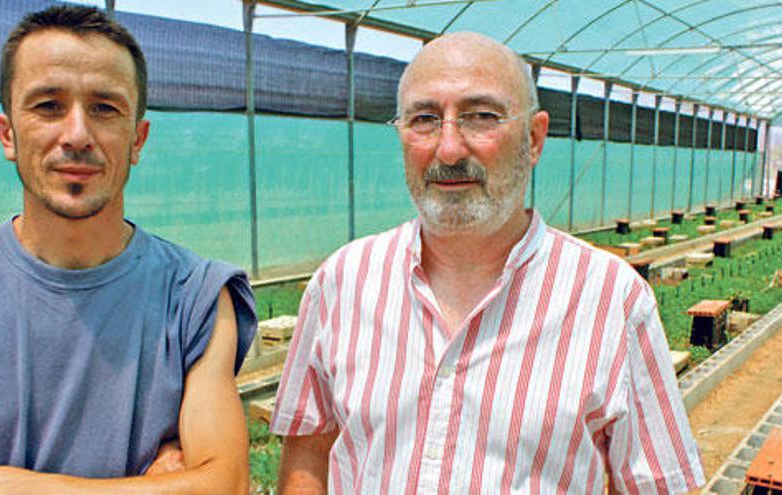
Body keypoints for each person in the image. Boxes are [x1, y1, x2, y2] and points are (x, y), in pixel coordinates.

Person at [271, 32, 705, 493]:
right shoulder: (342, 282)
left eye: (481, 117)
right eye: (424, 119)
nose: (450, 149)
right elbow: (308, 450)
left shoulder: (610, 299)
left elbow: (655, 486)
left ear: (535, 138)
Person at [0, 5, 257, 494]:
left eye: (104, 108)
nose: (78, 135)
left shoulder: (196, 296)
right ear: (7, 133)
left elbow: (226, 486)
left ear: (137, 138)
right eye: (48, 105)